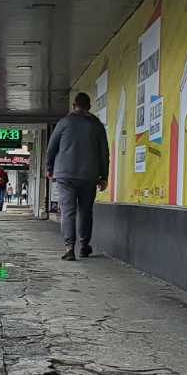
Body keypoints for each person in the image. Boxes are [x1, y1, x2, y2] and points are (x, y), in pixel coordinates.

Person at [45, 91, 110, 260]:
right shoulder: (96, 125)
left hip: (65, 175)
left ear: (74, 106)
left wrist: (49, 168)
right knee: (86, 211)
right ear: (89, 107)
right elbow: (104, 153)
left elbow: (51, 147)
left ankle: (69, 248)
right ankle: (84, 245)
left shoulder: (64, 122)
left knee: (68, 211)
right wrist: (104, 176)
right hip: (89, 175)